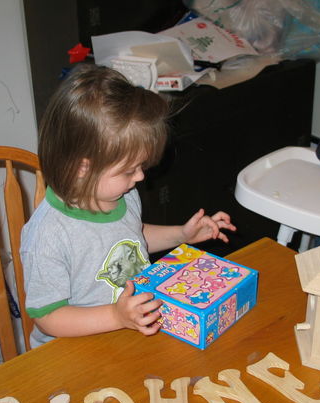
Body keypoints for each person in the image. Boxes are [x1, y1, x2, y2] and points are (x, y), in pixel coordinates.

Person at [20, 64, 236, 348]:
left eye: (141, 166)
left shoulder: (121, 193)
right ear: (83, 168)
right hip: (73, 351)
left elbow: (132, 235)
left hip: (129, 333)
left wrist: (182, 235)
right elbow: (47, 317)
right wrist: (115, 316)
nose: (140, 177)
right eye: (129, 170)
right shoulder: (47, 235)